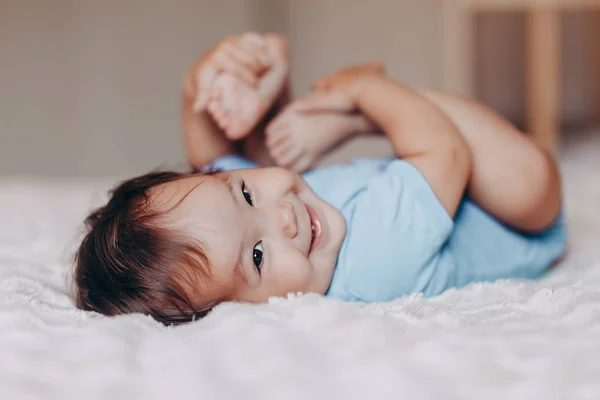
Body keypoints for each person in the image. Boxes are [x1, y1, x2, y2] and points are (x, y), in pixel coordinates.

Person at [74, 33, 567, 325]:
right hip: (516, 218)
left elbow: (214, 162)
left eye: (246, 192)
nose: (282, 216)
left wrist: (202, 81)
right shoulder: (375, 260)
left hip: (427, 178)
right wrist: (364, 91)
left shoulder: (243, 219)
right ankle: (358, 108)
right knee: (526, 181)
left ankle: (321, 102)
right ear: (240, 315)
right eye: (258, 255)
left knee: (269, 152)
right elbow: (444, 149)